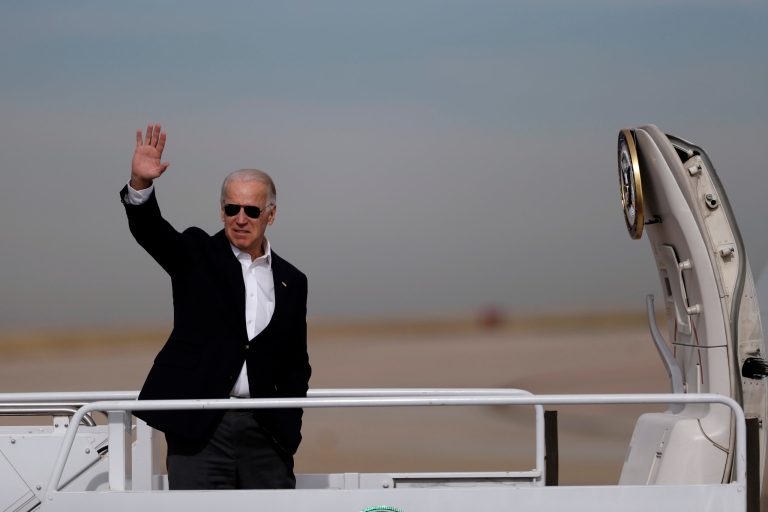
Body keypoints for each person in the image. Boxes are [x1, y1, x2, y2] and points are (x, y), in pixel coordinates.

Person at [120, 123, 311, 490]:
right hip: (199, 429)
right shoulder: (196, 254)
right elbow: (150, 231)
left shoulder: (293, 280)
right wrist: (140, 184)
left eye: (252, 210)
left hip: (266, 432)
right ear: (221, 210)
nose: (241, 218)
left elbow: (295, 362)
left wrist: (289, 423)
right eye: (232, 208)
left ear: (270, 214)